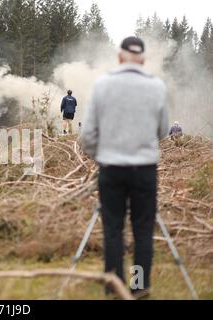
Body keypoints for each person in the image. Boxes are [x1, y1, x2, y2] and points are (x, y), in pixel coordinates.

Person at [80, 36, 169, 299]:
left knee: (113, 229)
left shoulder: (102, 85)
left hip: (111, 168)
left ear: (119, 57)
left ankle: (114, 284)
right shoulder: (157, 87)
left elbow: (88, 135)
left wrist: (101, 154)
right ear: (142, 59)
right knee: (142, 231)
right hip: (144, 170)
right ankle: (139, 287)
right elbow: (163, 131)